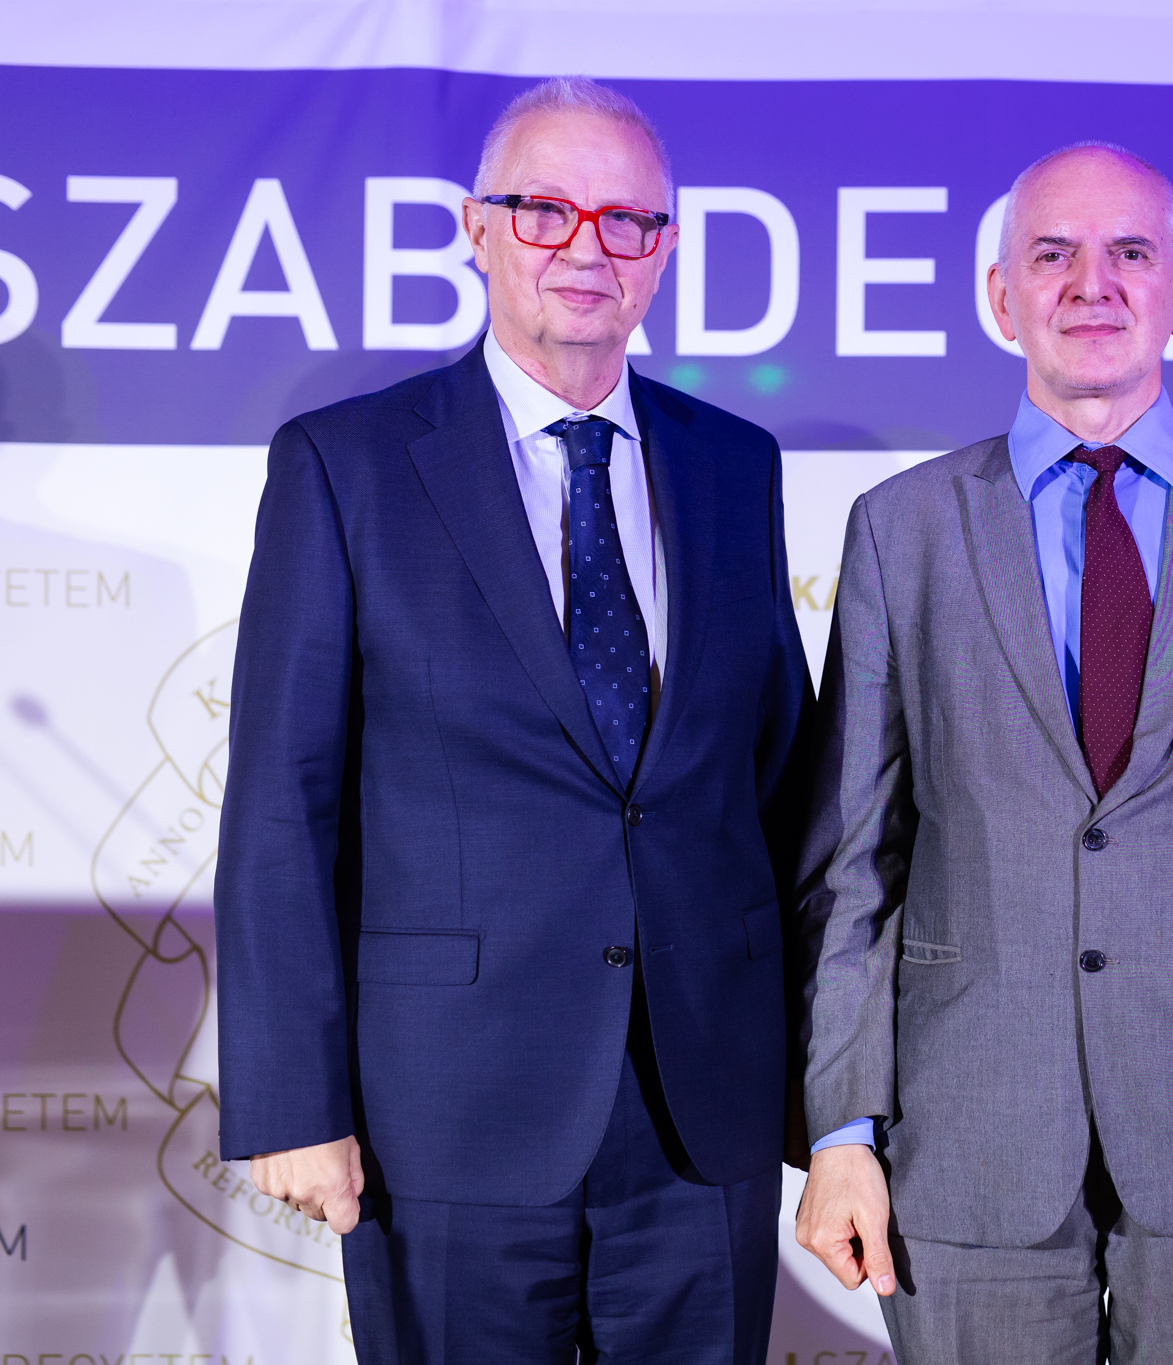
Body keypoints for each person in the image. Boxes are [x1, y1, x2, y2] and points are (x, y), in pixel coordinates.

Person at [213, 77, 810, 1364]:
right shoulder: (346, 465)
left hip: (700, 1114)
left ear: (663, 250)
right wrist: (290, 1099)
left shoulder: (734, 466)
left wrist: (831, 1095)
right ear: (475, 229)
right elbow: (280, 808)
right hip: (446, 1116)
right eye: (544, 210)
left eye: (626, 220)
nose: (586, 248)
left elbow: (774, 784)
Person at [790, 142, 1173, 1365]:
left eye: (1129, 251)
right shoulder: (901, 532)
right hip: (965, 1144)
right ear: (999, 296)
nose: (1092, 282)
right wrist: (841, 1131)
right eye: (1051, 253)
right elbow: (851, 864)